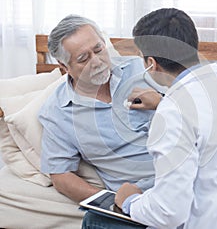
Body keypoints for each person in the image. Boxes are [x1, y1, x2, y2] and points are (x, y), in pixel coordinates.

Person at [112, 8, 217, 229]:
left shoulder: (173, 113)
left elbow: (169, 213)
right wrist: (164, 101)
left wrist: (129, 201)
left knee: (95, 221)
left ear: (151, 64)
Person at [38, 15, 156, 208]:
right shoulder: (57, 112)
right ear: (63, 67)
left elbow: (197, 114)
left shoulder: (142, 68)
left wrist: (162, 102)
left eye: (99, 49)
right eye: (83, 59)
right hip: (138, 198)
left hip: (188, 177)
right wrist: (113, 204)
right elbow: (61, 175)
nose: (97, 61)